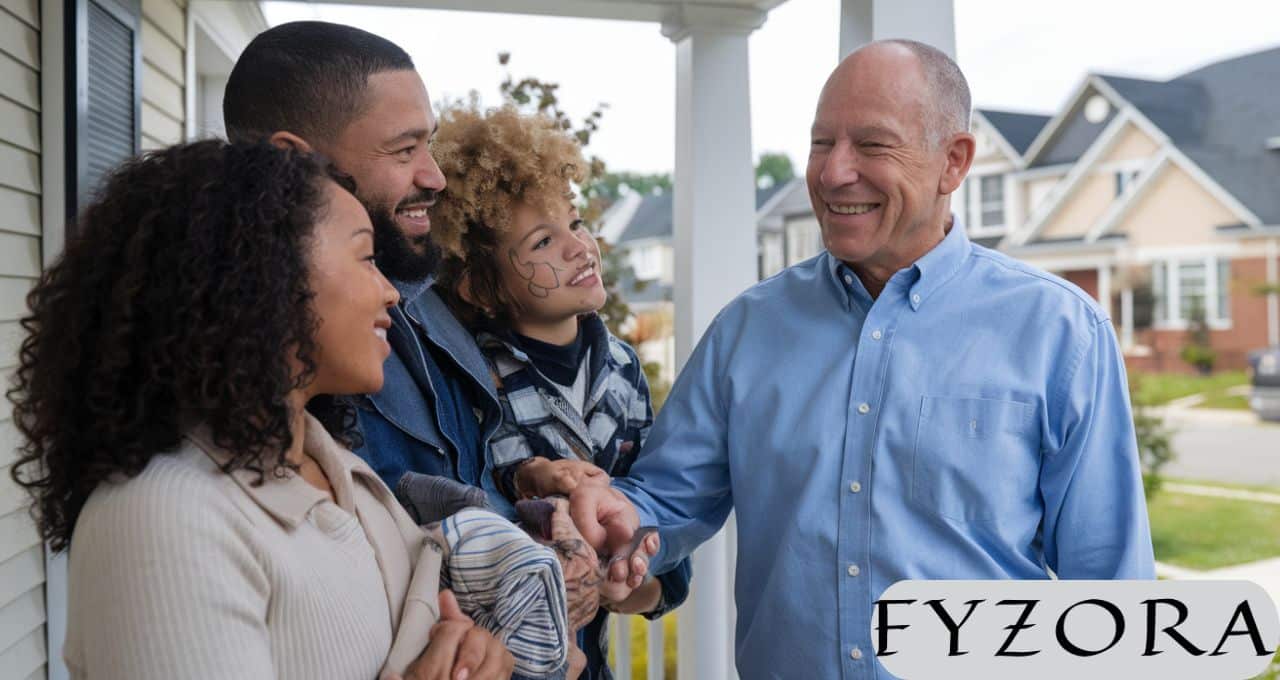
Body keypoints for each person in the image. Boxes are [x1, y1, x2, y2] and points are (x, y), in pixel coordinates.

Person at [569, 39, 1156, 678]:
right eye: (822, 143)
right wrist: (619, 519)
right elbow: (668, 499)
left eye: (872, 146)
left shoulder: (1061, 333)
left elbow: (1113, 593)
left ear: (953, 162)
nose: (832, 172)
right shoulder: (747, 328)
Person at [7, 140, 513, 679]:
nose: (389, 292)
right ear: (265, 272)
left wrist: (474, 651)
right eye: (366, 257)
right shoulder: (168, 516)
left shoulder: (342, 473)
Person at [427, 105, 689, 680]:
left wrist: (630, 575)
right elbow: (472, 510)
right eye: (543, 240)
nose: (578, 247)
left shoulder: (622, 369)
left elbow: (664, 547)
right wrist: (539, 481)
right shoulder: (470, 376)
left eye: (574, 221)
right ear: (478, 283)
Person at [222, 21, 512, 518]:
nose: (435, 177)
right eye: (404, 150)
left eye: (430, 144)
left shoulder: (426, 297)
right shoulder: (237, 363)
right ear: (290, 159)